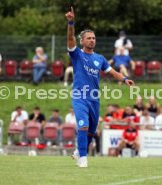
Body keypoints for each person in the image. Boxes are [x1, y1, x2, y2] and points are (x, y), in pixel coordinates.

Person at [65, 7, 134, 168]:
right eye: (88, 38)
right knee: (82, 125)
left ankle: (79, 150)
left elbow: (112, 72)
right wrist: (71, 23)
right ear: (82, 41)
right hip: (80, 96)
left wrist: (124, 79)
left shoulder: (100, 58)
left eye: (94, 38)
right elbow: (70, 39)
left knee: (91, 131)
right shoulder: (77, 55)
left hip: (94, 98)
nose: (92, 40)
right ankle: (83, 158)